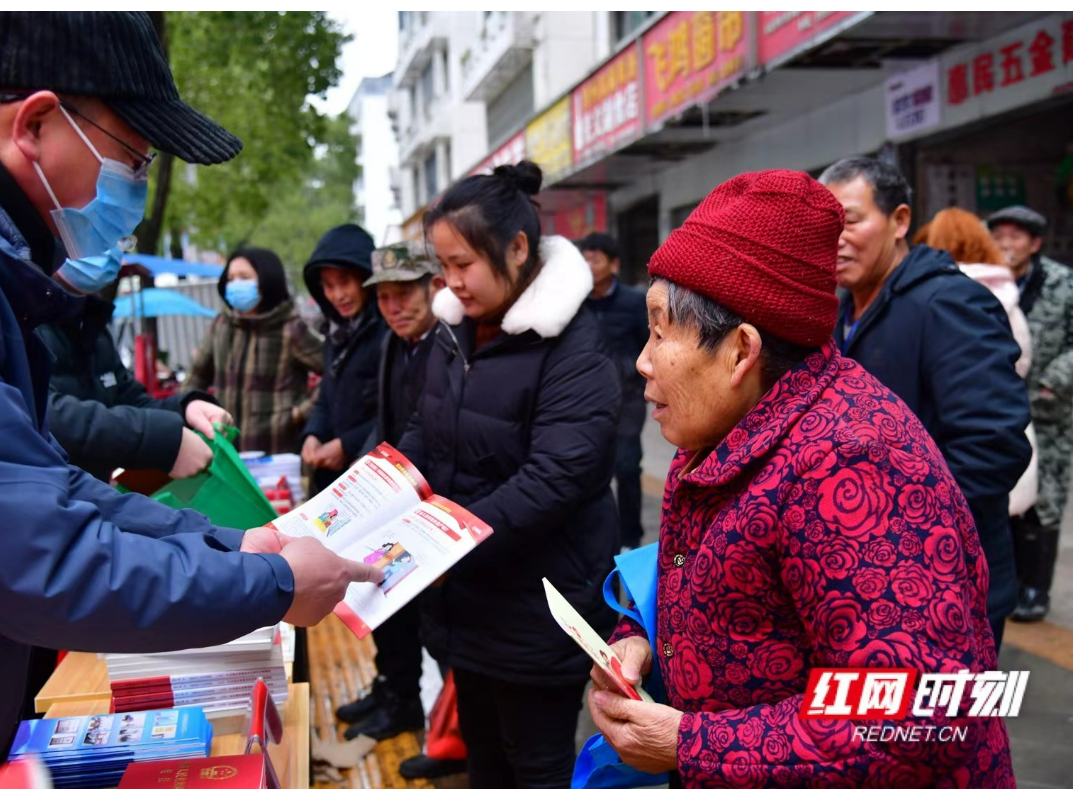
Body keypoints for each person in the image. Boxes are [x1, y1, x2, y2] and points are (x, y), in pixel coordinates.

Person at [0, 12, 379, 789]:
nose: (135, 189)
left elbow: (48, 486)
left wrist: (227, 546)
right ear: (36, 124)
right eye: (133, 158)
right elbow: (45, 559)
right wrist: (276, 586)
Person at [589, 169, 1014, 788]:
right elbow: (711, 571)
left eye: (661, 331)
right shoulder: (730, 423)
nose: (643, 359)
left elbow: (917, 714)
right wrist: (642, 637)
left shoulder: (854, 462)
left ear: (740, 351)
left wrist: (690, 744)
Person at [397, 161, 621, 789]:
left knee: (538, 767)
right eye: (443, 266)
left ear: (517, 248)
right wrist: (383, 488)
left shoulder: (572, 345)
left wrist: (445, 537)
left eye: (463, 263)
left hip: (538, 605)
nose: (451, 282)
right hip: (463, 600)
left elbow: (558, 475)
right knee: (484, 758)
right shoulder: (453, 334)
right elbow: (426, 429)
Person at [820, 157, 1031, 650]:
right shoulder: (838, 313)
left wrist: (889, 521)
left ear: (899, 221)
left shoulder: (948, 302)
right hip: (868, 580)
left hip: (948, 583)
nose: (836, 240)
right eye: (827, 227)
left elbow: (993, 446)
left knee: (945, 727)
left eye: (850, 221)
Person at [336, 243, 445, 744]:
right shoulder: (392, 344)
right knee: (386, 607)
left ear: (434, 288)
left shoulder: (448, 346)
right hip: (391, 499)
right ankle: (396, 694)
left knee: (439, 633)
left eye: (405, 294)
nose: (394, 307)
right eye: (384, 298)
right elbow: (383, 422)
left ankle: (446, 731)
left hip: (432, 509)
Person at [912, 208, 1039, 520]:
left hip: (944, 466)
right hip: (1005, 435)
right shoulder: (1003, 290)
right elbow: (1022, 359)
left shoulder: (933, 295)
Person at [39, 289, 232, 483]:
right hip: (47, 492)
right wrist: (162, 439)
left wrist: (186, 409)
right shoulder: (25, 318)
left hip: (91, 491)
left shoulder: (93, 323)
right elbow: (43, 414)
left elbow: (129, 399)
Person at [988, 204, 1074, 622]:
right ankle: (1015, 580)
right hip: (1004, 408)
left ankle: (1037, 588)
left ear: (1035, 244)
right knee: (1011, 493)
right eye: (1000, 236)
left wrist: (1053, 382)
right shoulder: (991, 280)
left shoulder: (1062, 282)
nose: (1006, 244)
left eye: (1016, 237)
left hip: (1048, 409)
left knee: (1046, 499)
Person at [183, 246, 323, 455]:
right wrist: (186, 408)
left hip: (277, 453)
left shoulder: (290, 328)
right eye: (230, 278)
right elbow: (196, 376)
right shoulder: (221, 325)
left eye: (244, 277)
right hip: (227, 452)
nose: (235, 284)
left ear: (266, 280)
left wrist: (300, 413)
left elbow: (334, 372)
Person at [300, 224, 385, 492]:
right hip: (334, 479)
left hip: (375, 476)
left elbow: (400, 411)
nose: (338, 295)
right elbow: (327, 393)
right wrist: (313, 433)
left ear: (366, 278)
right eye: (328, 285)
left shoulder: (390, 332)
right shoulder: (336, 333)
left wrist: (347, 445)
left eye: (345, 281)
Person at [579, 231, 649, 550]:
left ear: (614, 264)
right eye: (585, 259)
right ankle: (595, 536)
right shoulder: (575, 302)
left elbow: (649, 344)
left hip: (628, 398)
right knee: (590, 468)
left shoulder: (635, 303)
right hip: (586, 400)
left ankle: (631, 539)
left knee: (627, 466)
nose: (589, 265)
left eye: (596, 259)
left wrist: (625, 369)